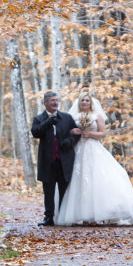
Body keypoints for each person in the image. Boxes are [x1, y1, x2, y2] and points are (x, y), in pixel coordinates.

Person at [56, 93, 133, 226]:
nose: (85, 102)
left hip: (93, 148)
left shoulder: (97, 116)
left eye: (87, 100)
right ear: (79, 103)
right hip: (77, 148)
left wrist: (90, 133)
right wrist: (73, 133)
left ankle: (96, 214)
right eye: (83, 101)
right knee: (78, 180)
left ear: (91, 103)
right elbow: (66, 130)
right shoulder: (72, 117)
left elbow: (103, 133)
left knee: (96, 179)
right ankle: (82, 216)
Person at [31, 90, 81, 226]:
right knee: (48, 191)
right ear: (45, 103)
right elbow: (35, 132)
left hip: (64, 160)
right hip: (47, 161)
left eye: (56, 100)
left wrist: (69, 142)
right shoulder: (39, 119)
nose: (55, 103)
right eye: (52, 100)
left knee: (64, 189)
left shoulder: (66, 117)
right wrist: (48, 122)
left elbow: (77, 133)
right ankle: (49, 218)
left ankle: (63, 216)